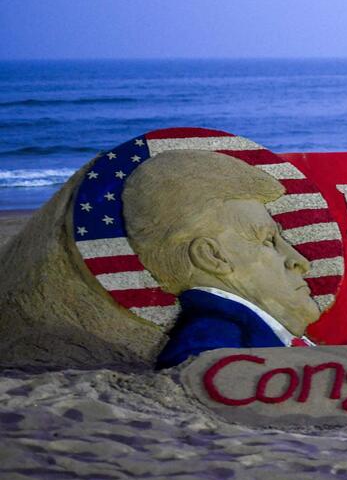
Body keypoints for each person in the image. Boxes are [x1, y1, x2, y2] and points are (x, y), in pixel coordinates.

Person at [122, 150, 321, 369]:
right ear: (211, 256)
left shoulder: (247, 336)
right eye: (267, 241)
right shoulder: (210, 348)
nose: (301, 261)